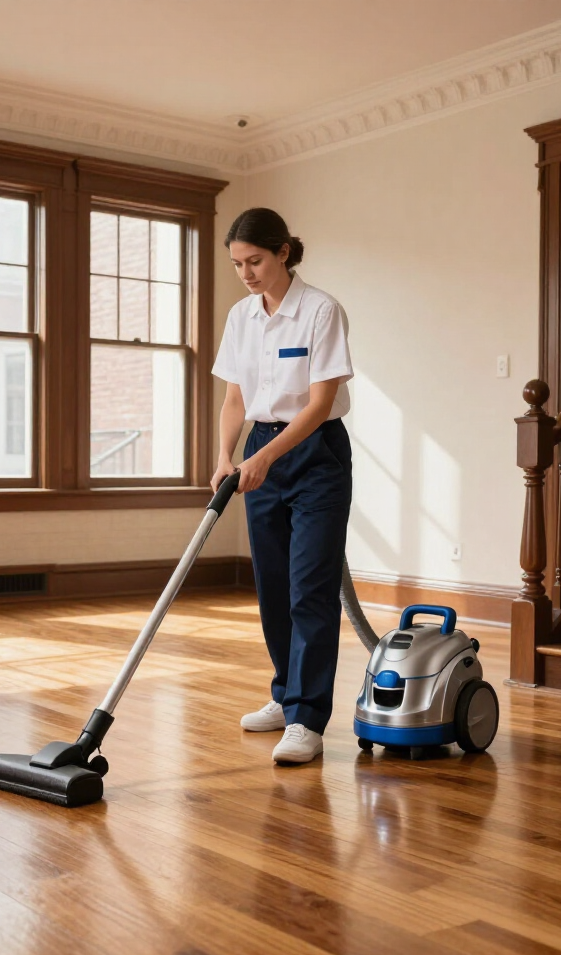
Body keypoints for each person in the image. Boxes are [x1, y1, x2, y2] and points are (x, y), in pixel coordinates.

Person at [211, 208, 353, 764]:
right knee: (271, 585)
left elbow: (319, 404)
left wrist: (266, 456)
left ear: (283, 253)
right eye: (237, 264)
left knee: (310, 587)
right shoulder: (241, 316)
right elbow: (236, 400)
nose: (246, 273)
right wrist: (226, 456)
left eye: (255, 261)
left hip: (315, 454)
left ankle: (307, 718)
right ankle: (284, 693)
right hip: (259, 454)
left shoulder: (320, 311)